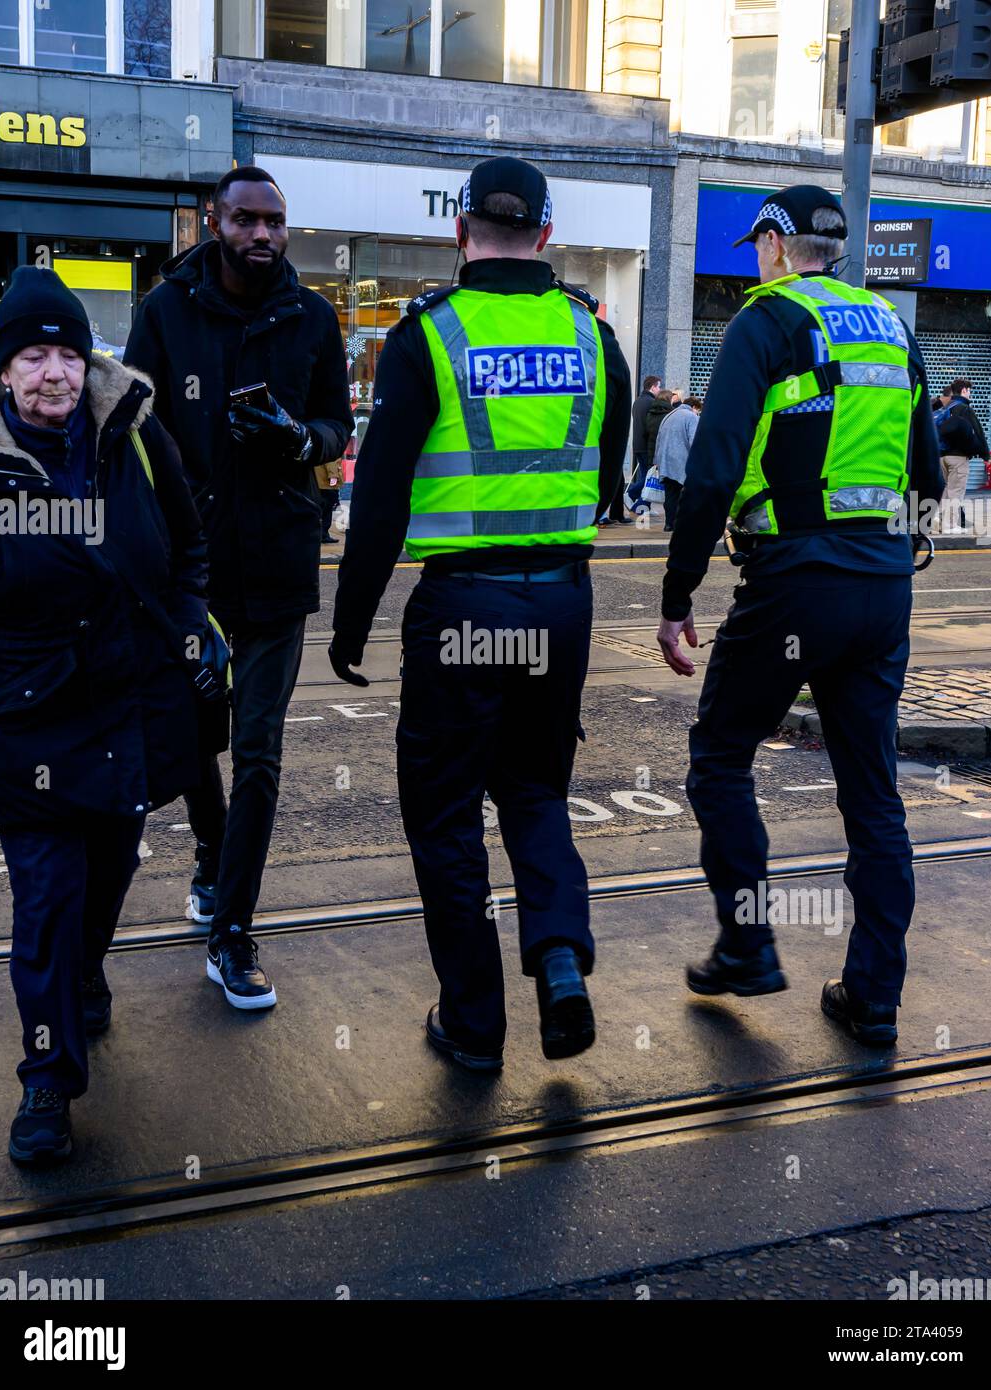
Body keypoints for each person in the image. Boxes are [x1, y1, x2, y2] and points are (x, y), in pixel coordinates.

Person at [330, 156, 631, 1069]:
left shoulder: (430, 335)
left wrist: (348, 626)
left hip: (462, 608)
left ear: (460, 232)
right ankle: (558, 959)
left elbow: (378, 501)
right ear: (545, 236)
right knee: (535, 792)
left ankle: (473, 1022)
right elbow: (611, 482)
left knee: (448, 815)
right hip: (561, 603)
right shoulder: (592, 337)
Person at [655, 185, 943, 1047]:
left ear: (778, 244)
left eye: (757, 244)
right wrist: (894, 551)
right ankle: (873, 997)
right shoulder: (891, 328)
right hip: (880, 586)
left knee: (718, 757)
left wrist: (675, 599)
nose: (754, 258)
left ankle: (746, 945)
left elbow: (710, 474)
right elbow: (925, 476)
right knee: (873, 793)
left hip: (791, 582)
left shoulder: (765, 322)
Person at [0, 267, 208, 1163]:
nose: (52, 374)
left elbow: (187, 549)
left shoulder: (135, 440)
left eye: (65, 354)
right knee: (43, 902)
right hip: (21, 720)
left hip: (123, 712)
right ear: (4, 370)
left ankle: (85, 972)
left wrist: (188, 624)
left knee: (108, 871)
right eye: (31, 355)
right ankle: (46, 1083)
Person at [124, 166, 353, 1011]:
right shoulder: (164, 312)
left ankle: (232, 932)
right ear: (214, 222)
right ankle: (211, 861)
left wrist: (300, 439)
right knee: (194, 743)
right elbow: (132, 426)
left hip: (280, 568)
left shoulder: (313, 316)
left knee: (258, 751)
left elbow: (338, 425)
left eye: (276, 223)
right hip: (190, 572)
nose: (264, 235)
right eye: (247, 220)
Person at [936, 377, 989, 534]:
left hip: (942, 456)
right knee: (956, 491)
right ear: (964, 390)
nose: (970, 394)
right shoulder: (965, 408)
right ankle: (949, 525)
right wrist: (985, 455)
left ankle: (938, 523)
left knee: (946, 490)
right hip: (958, 457)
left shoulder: (946, 407)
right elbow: (978, 431)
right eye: (969, 391)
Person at [654, 394, 701, 532]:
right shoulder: (691, 417)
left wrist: (656, 461)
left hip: (665, 461)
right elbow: (694, 442)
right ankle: (684, 524)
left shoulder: (669, 416)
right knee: (687, 494)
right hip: (682, 462)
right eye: (698, 410)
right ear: (694, 407)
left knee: (670, 495)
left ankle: (669, 524)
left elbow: (658, 439)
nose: (698, 413)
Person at [625, 374, 661, 512]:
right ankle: (631, 493)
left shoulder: (638, 401)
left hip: (638, 444)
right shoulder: (651, 402)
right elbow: (651, 426)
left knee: (645, 474)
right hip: (647, 445)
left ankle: (644, 506)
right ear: (652, 387)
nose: (660, 389)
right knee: (648, 476)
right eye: (659, 386)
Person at [643, 386, 682, 473]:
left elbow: (647, 431)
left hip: (651, 451)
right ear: (668, 399)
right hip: (665, 455)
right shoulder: (670, 414)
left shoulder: (650, 412)